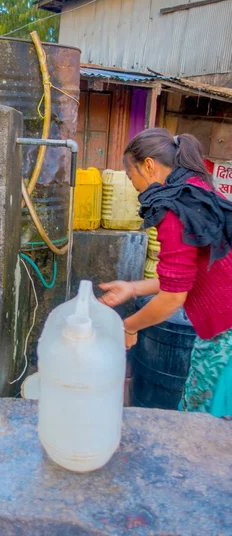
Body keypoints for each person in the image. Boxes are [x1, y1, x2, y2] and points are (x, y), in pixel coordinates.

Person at [100, 128, 232, 418]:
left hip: (226, 336)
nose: (131, 182)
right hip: (225, 323)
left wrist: (128, 326)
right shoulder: (196, 190)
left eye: (129, 172)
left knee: (207, 428)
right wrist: (134, 289)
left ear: (148, 165)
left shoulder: (173, 209)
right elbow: (186, 274)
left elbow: (173, 298)